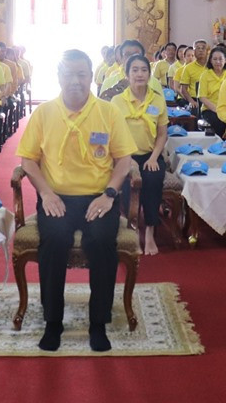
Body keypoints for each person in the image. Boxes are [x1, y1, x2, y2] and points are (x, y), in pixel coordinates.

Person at [17, 49, 137, 353]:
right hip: (56, 197)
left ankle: (98, 322)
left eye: (82, 74)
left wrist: (110, 194)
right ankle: (53, 322)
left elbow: (124, 160)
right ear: (58, 77)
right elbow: (28, 161)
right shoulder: (44, 113)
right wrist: (45, 193)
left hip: (100, 198)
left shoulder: (109, 112)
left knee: (100, 241)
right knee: (54, 240)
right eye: (69, 74)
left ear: (91, 76)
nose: (75, 81)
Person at [111, 54, 167, 256]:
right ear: (127, 75)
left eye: (144, 70)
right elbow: (113, 136)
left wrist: (153, 158)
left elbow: (162, 134)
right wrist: (128, 159)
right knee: (128, 182)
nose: (139, 74)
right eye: (134, 70)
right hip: (125, 156)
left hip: (150, 155)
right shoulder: (117, 101)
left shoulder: (158, 100)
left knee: (153, 179)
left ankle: (150, 232)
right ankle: (132, 230)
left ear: (149, 74)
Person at [198, 46, 226, 137]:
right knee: (218, 122)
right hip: (210, 110)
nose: (218, 62)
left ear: (225, 60)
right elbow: (202, 97)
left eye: (220, 59)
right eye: (215, 59)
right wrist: (218, 110)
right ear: (210, 61)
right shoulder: (205, 75)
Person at [177, 39, 208, 109]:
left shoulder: (212, 66)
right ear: (194, 51)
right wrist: (191, 101)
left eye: (203, 48)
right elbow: (183, 89)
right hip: (195, 99)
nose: (200, 50)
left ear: (207, 51)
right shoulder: (188, 68)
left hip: (211, 99)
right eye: (198, 48)